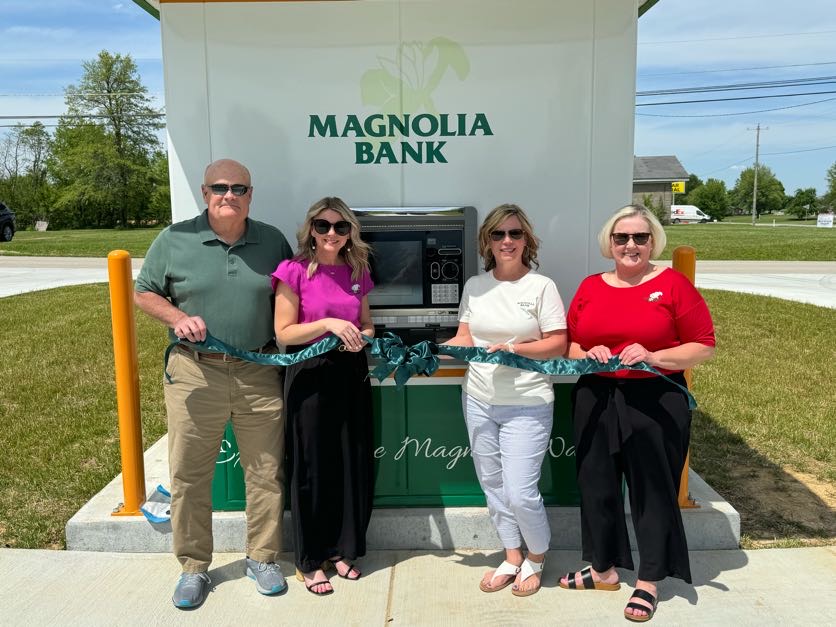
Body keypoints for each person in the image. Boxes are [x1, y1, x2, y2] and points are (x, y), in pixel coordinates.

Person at [134, 159, 293, 609]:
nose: (229, 195)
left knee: (265, 473)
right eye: (219, 187)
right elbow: (144, 290)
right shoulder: (175, 238)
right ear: (204, 193)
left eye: (238, 188)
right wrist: (179, 318)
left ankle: (262, 559)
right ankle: (193, 568)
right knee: (189, 474)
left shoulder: (272, 240)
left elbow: (292, 293)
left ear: (250, 194)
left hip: (258, 368)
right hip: (193, 371)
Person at [559, 204, 715, 622]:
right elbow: (570, 345)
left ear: (652, 242)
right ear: (609, 242)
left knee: (652, 488)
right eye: (621, 237)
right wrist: (585, 354)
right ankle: (603, 568)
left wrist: (655, 355)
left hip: (654, 399)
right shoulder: (591, 285)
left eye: (640, 238)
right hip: (596, 394)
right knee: (597, 485)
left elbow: (703, 344)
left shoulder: (672, 285)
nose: (630, 245)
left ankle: (648, 580)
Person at [445, 203, 568, 597]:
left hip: (528, 401)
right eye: (498, 234)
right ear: (487, 241)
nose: (507, 241)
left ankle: (537, 554)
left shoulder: (541, 287)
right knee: (493, 484)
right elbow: (465, 337)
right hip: (478, 398)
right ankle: (512, 554)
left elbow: (558, 344)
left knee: (520, 491)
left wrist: (513, 349)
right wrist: (432, 349)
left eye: (515, 234)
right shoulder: (475, 286)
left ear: (527, 239)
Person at [272, 196, 374, 596]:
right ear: (310, 230)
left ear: (350, 232)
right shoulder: (293, 271)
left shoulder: (357, 270)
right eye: (323, 225)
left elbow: (367, 324)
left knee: (350, 461)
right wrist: (329, 323)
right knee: (312, 466)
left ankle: (343, 549)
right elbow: (284, 333)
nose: (331, 233)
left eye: (340, 227)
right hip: (310, 375)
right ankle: (310, 559)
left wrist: (360, 338)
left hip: (350, 374)